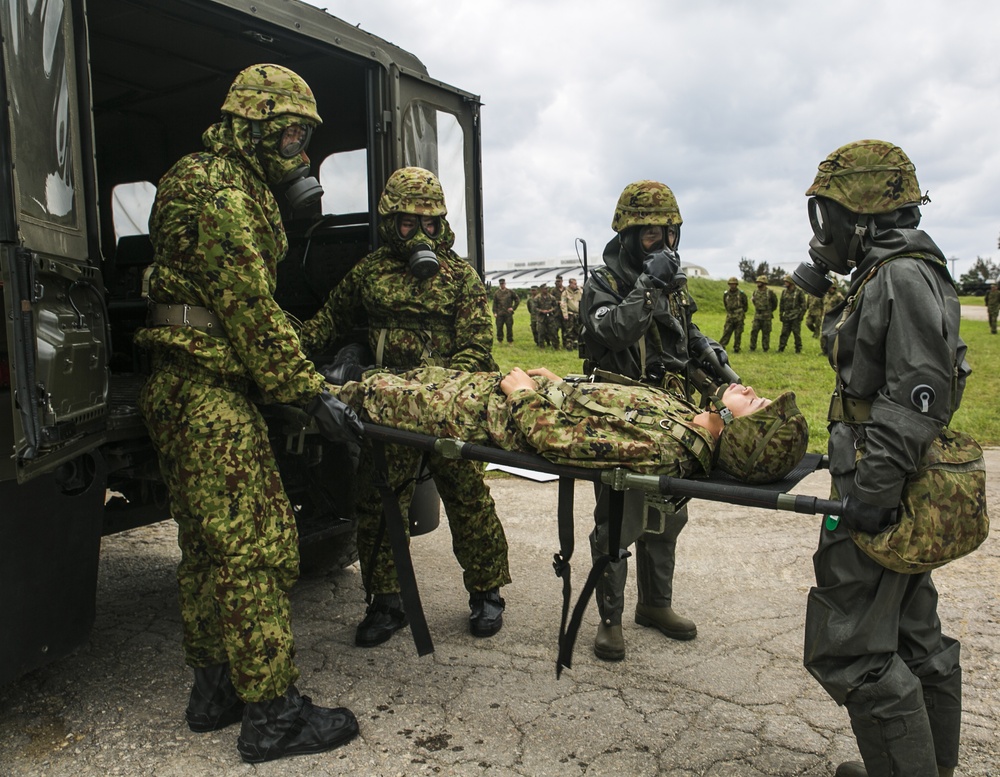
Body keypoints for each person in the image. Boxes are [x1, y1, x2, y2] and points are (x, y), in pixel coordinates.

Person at [134, 64, 361, 763]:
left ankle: (214, 689)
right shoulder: (220, 191)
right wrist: (309, 394)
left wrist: (307, 361)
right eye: (289, 132)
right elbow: (248, 308)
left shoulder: (199, 180)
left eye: (303, 137)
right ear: (249, 126)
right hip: (209, 395)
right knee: (258, 549)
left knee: (206, 550)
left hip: (184, 385)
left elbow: (237, 308)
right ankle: (274, 714)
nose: (298, 150)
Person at [798, 139, 970, 777]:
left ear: (864, 214)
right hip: (892, 479)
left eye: (832, 214)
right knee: (910, 632)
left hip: (881, 485)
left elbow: (914, 397)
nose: (826, 228)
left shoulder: (899, 275)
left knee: (851, 649)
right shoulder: (894, 270)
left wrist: (871, 494)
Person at [299, 166, 511, 646]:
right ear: (390, 222)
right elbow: (327, 322)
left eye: (431, 224)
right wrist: (281, 347)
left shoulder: (460, 277)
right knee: (378, 503)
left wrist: (438, 392)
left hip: (446, 409)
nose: (421, 234)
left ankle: (486, 591)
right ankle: (386, 601)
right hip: (387, 411)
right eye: (408, 224)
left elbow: (476, 349)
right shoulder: (370, 273)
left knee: (468, 498)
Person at [580, 179, 734, 662]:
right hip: (620, 418)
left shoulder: (673, 285)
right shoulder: (603, 285)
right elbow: (614, 329)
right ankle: (609, 620)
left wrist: (704, 348)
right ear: (627, 236)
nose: (663, 245)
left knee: (667, 515)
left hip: (670, 416)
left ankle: (655, 604)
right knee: (617, 521)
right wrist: (648, 285)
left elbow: (680, 331)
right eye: (651, 235)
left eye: (670, 235)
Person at [336, 366, 807, 485]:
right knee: (411, 376)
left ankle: (308, 390)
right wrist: (562, 385)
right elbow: (610, 408)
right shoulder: (685, 416)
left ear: (742, 435)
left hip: (484, 414)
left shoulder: (665, 450)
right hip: (502, 394)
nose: (748, 390)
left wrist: (520, 393)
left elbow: (557, 441)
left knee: (372, 398)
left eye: (756, 404)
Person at [777, 275, 807, 353]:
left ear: (791, 282)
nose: (785, 283)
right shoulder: (784, 292)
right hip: (786, 316)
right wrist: (781, 314)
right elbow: (781, 304)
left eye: (786, 281)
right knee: (784, 333)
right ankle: (781, 348)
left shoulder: (799, 292)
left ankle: (798, 348)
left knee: (796, 333)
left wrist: (801, 315)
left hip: (795, 316)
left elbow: (804, 305)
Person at [719, 277, 748, 354]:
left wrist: (741, 312)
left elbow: (745, 305)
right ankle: (722, 346)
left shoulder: (741, 294)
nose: (732, 286)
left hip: (739, 315)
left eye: (734, 284)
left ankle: (737, 347)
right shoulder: (726, 294)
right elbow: (725, 304)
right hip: (730, 315)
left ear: (736, 284)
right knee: (726, 331)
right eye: (731, 284)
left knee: (738, 332)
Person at [749, 275, 778, 352]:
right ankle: (752, 347)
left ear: (764, 283)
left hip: (767, 316)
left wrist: (769, 311)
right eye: (757, 282)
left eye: (760, 282)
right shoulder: (755, 292)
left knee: (766, 333)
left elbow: (775, 303)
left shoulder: (770, 292)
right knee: (754, 331)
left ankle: (765, 348)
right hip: (757, 316)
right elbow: (754, 301)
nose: (758, 283)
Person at [492, 278, 519, 343]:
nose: (502, 285)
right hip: (499, 313)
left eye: (503, 283)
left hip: (508, 313)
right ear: (499, 284)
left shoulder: (510, 292)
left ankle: (510, 341)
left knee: (509, 327)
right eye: (501, 284)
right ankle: (500, 340)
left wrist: (513, 308)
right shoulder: (497, 293)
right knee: (499, 327)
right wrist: (495, 312)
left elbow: (517, 299)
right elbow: (494, 303)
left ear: (505, 283)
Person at [560, 277, 583, 351]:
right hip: (570, 314)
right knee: (569, 330)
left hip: (578, 314)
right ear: (570, 284)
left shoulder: (579, 291)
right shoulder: (565, 292)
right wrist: (565, 314)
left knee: (578, 330)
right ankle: (569, 345)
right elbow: (563, 303)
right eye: (574, 284)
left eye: (576, 284)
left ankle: (577, 345)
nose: (576, 285)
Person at [535, 284, 561, 348]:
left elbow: (556, 306)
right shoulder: (537, 298)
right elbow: (534, 308)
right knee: (541, 332)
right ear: (541, 289)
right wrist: (541, 311)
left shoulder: (551, 297)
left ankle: (556, 346)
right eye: (545, 289)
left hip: (550, 317)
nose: (546, 290)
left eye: (547, 288)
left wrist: (551, 310)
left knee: (553, 332)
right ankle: (541, 346)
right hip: (541, 318)